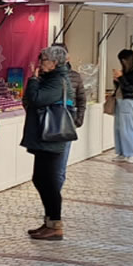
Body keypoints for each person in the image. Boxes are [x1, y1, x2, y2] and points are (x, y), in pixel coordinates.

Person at [24, 45, 73, 242]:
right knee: (41, 179)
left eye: (44, 60)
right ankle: (49, 221)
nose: (40, 63)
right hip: (44, 138)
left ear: (54, 63)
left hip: (52, 137)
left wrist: (33, 80)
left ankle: (55, 225)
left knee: (49, 182)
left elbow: (35, 99)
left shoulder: (57, 80)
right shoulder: (51, 79)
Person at [53, 44, 86, 187]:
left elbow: (81, 99)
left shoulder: (75, 76)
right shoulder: (43, 75)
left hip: (66, 124)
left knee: (60, 166)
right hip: (47, 124)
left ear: (67, 58)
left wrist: (78, 119)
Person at [112, 49, 133, 163]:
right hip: (120, 100)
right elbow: (122, 87)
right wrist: (117, 80)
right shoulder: (127, 72)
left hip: (129, 101)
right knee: (118, 128)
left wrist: (121, 78)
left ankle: (131, 153)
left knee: (127, 128)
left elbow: (131, 88)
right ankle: (121, 152)